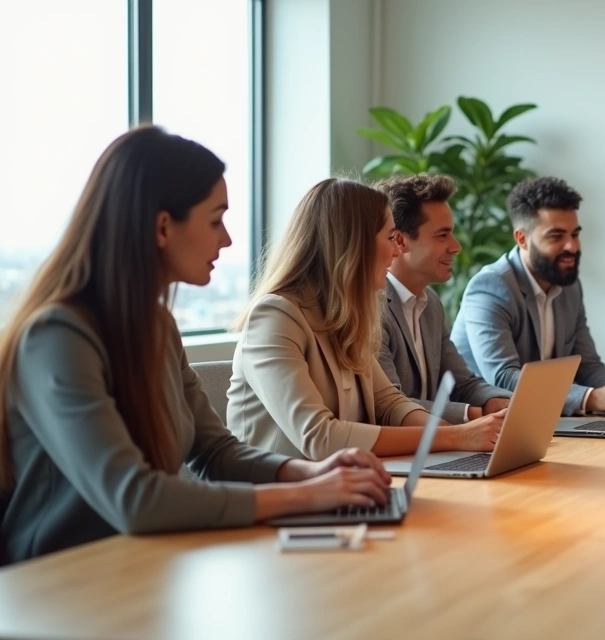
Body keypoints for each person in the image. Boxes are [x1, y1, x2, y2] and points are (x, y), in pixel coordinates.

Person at [0, 127, 395, 564]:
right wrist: (305, 495)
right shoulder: (56, 337)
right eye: (215, 220)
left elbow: (215, 452)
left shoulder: (158, 327)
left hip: (145, 568)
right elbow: (136, 500)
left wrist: (310, 471)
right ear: (163, 227)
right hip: (61, 586)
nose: (226, 239)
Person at [226, 178, 505, 461]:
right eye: (389, 238)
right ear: (353, 244)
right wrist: (455, 437)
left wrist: (464, 441)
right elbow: (320, 437)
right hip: (280, 495)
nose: (397, 251)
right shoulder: (275, 316)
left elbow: (390, 404)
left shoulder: (348, 313)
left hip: (343, 485)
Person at [452, 177, 605, 417]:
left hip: (543, 418)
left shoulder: (568, 286)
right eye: (556, 236)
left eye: (575, 234)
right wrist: (590, 398)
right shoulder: (490, 287)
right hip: (487, 425)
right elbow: (503, 378)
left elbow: (587, 366)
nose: (572, 246)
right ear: (522, 239)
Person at [375, 174, 511, 423]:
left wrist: (501, 402)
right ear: (400, 241)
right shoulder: (373, 309)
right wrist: (475, 414)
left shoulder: (431, 304)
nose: (456, 246)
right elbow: (390, 403)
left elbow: (462, 384)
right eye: (442, 235)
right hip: (396, 455)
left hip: (436, 447)